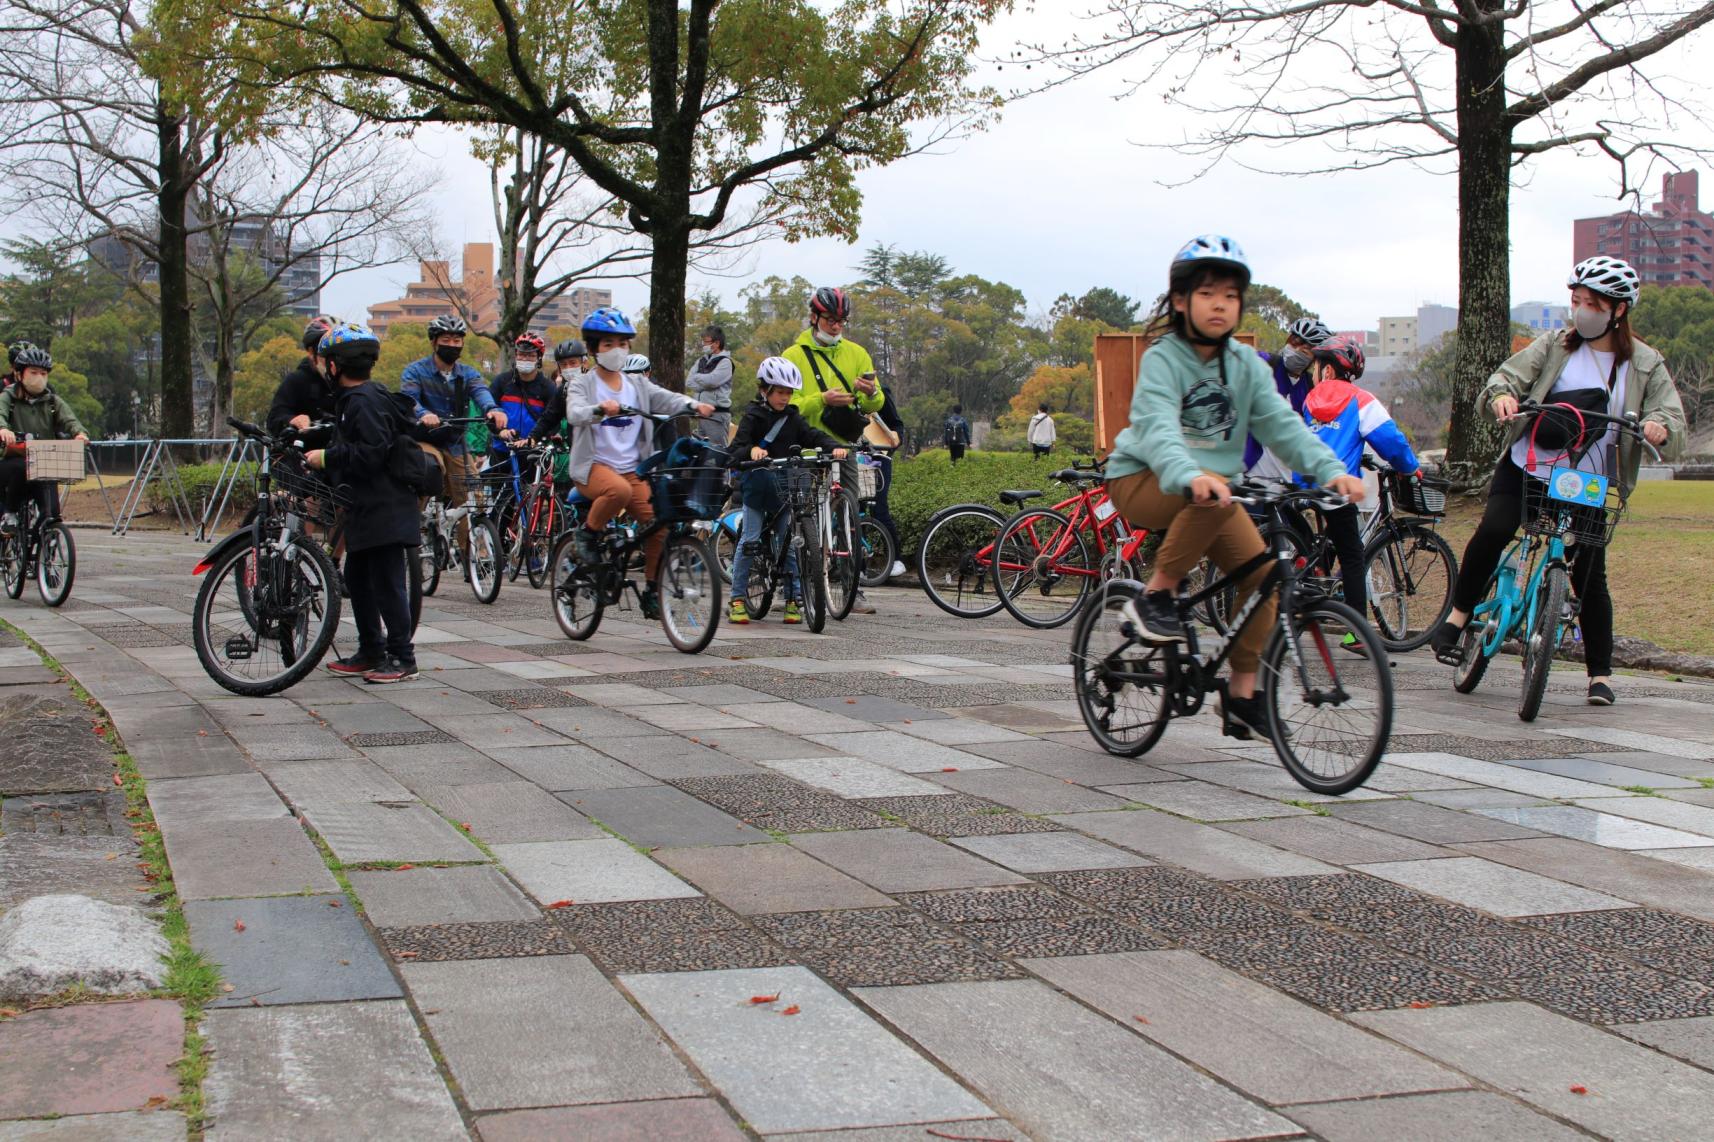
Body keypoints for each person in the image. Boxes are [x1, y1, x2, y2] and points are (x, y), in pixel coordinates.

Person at [1102, 235, 1362, 740]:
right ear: (1180, 301)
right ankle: (1154, 596)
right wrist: (1191, 474)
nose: (1219, 303)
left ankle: (1243, 696)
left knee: (1264, 576)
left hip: (1211, 495)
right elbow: (1156, 426)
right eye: (1206, 293)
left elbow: (1280, 425)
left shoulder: (1246, 366)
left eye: (1230, 294)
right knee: (1216, 492)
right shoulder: (1165, 358)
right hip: (1142, 478)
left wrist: (1330, 469)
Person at [1429, 256, 1684, 706]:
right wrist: (1504, 396)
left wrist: (1659, 425)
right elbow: (1504, 379)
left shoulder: (1644, 363)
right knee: (1495, 529)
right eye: (1577, 300)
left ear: (1618, 310)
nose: (1581, 309)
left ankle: (1599, 674)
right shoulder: (1554, 344)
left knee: (1589, 572)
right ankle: (1458, 615)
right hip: (1528, 466)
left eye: (1592, 303)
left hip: (1588, 481)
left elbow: (1670, 415)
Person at [556, 307, 714, 619]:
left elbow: (666, 398)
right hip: (593, 469)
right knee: (618, 491)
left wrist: (693, 404)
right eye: (608, 344)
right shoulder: (582, 385)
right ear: (593, 349)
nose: (617, 350)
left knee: (660, 525)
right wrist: (600, 409)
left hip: (632, 471)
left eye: (623, 344)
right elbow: (574, 413)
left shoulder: (636, 385)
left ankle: (652, 591)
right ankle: (587, 534)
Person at [304, 323, 420, 683]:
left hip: (384, 508)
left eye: (328, 363)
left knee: (387, 583)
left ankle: (402, 658)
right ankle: (371, 648)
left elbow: (370, 453)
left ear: (336, 366)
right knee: (357, 576)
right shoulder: (360, 399)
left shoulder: (363, 402)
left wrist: (326, 457)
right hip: (368, 508)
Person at [1294, 334, 1422, 656]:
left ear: (1326, 371)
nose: (1314, 373)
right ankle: (1357, 633)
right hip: (1338, 487)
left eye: (1317, 366)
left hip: (1305, 482)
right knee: (1354, 556)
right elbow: (1391, 442)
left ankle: (1314, 579)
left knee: (1323, 543)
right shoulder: (1360, 400)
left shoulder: (1311, 399)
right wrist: (1411, 468)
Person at [783, 286, 887, 611]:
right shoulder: (792, 356)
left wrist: (869, 393)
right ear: (814, 317)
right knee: (798, 517)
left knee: (848, 514)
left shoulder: (857, 354)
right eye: (830, 319)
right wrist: (821, 400)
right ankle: (793, 587)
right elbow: (785, 407)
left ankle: (851, 587)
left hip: (845, 447)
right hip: (807, 449)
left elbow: (877, 401)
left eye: (842, 320)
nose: (836, 325)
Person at [727, 357, 849, 625]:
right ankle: (737, 598)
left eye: (789, 393)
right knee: (749, 541)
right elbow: (734, 451)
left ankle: (794, 600)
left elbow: (812, 436)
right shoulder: (752, 416)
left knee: (791, 545)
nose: (785, 398)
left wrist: (834, 447)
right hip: (758, 490)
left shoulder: (792, 417)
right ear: (765, 390)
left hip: (785, 491)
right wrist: (752, 451)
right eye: (780, 392)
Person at [401, 315, 508, 540]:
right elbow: (409, 400)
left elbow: (481, 391)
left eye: (457, 340)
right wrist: (424, 414)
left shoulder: (467, 374)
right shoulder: (415, 371)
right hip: (425, 439)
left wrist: (492, 409)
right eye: (446, 339)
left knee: (474, 495)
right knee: (429, 470)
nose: (452, 345)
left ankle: (475, 554)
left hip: (456, 442)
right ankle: (410, 536)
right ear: (434, 342)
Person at [0, 345, 89, 538]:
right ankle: (10, 515)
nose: (38, 378)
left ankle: (48, 536)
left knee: (52, 511)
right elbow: (0, 413)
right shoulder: (9, 396)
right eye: (33, 372)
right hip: (13, 457)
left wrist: (79, 433)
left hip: (42, 459)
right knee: (19, 468)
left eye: (43, 373)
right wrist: (4, 429)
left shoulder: (51, 400)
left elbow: (69, 419)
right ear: (19, 374)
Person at [1244, 316, 1334, 481]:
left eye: (1305, 349)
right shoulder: (1265, 364)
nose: (1296, 349)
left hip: (1285, 480)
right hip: (1249, 474)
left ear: (1314, 358)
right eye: (1294, 342)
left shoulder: (1309, 387)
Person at [267, 315, 341, 434]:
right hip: (304, 449)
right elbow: (274, 419)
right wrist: (292, 420)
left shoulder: (347, 381)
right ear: (311, 352)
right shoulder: (296, 381)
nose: (333, 361)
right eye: (326, 353)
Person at [490, 332, 553, 448]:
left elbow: (553, 420)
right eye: (521, 354)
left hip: (533, 452)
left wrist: (535, 439)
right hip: (501, 449)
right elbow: (489, 411)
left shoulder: (548, 387)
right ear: (516, 355)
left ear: (539, 358)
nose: (525, 359)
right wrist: (500, 431)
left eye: (530, 355)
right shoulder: (501, 381)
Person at [690, 325, 735, 441]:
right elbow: (689, 382)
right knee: (700, 452)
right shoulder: (701, 361)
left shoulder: (725, 362)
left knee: (716, 451)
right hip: (701, 413)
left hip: (717, 414)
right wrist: (705, 382)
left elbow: (712, 381)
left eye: (706, 342)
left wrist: (698, 377)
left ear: (716, 343)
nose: (704, 345)